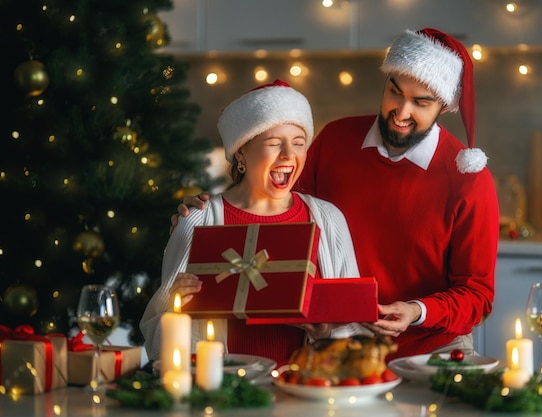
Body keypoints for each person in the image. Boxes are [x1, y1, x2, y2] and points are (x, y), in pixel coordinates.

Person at [173, 28, 499, 361]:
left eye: (420, 102)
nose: (401, 111)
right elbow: (276, 214)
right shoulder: (335, 140)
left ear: (444, 106)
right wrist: (206, 217)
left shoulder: (468, 179)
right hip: (343, 348)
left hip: (433, 349)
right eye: (394, 92)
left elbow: (477, 295)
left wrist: (416, 311)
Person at [141, 80, 370, 366]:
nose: (289, 154)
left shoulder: (330, 220)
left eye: (298, 143)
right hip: (228, 397)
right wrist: (175, 308)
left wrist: (326, 335)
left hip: (305, 395)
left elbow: (357, 330)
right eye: (273, 143)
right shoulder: (197, 220)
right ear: (241, 153)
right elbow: (158, 334)